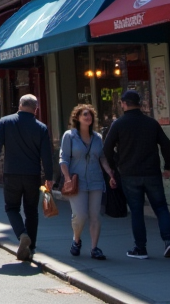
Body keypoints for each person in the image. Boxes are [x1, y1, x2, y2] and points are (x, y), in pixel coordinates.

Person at [104, 89, 170, 260]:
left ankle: (141, 248)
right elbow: (166, 144)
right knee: (160, 207)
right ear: (139, 104)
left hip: (129, 173)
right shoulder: (151, 123)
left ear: (124, 103)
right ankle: (169, 241)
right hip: (151, 171)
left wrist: (113, 168)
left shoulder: (119, 124)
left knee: (136, 211)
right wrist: (167, 166)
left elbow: (106, 148)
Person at [0, 94, 53, 261]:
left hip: (11, 173)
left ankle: (22, 234)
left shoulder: (6, 122)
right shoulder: (41, 128)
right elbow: (47, 155)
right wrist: (49, 177)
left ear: (19, 105)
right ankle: (31, 248)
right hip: (32, 175)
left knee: (11, 208)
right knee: (31, 212)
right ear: (35, 109)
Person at [60, 104, 115, 260]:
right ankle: (76, 240)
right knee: (80, 215)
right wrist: (67, 177)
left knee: (95, 215)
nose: (88, 117)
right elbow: (63, 159)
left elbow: (102, 157)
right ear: (77, 118)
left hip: (96, 180)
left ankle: (94, 248)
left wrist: (109, 172)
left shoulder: (97, 137)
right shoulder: (69, 136)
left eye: (90, 115)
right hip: (77, 181)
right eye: (84, 114)